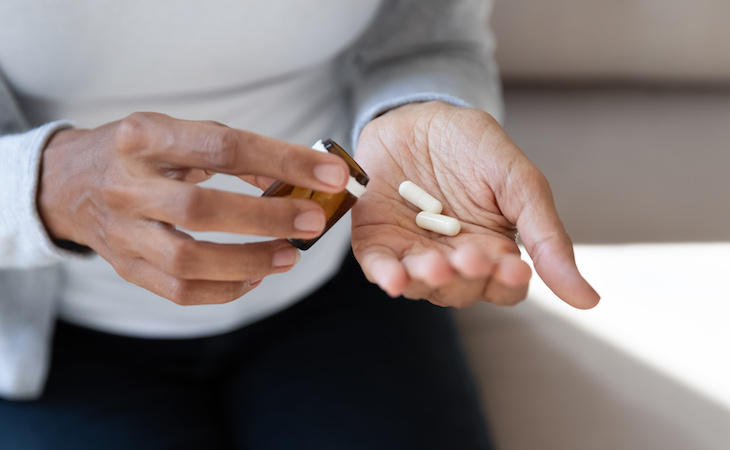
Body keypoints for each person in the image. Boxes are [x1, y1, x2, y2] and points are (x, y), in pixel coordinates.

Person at [0, 1, 599, 449]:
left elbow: (426, 32)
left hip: (351, 272)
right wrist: (41, 185)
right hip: (55, 338)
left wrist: (418, 107)